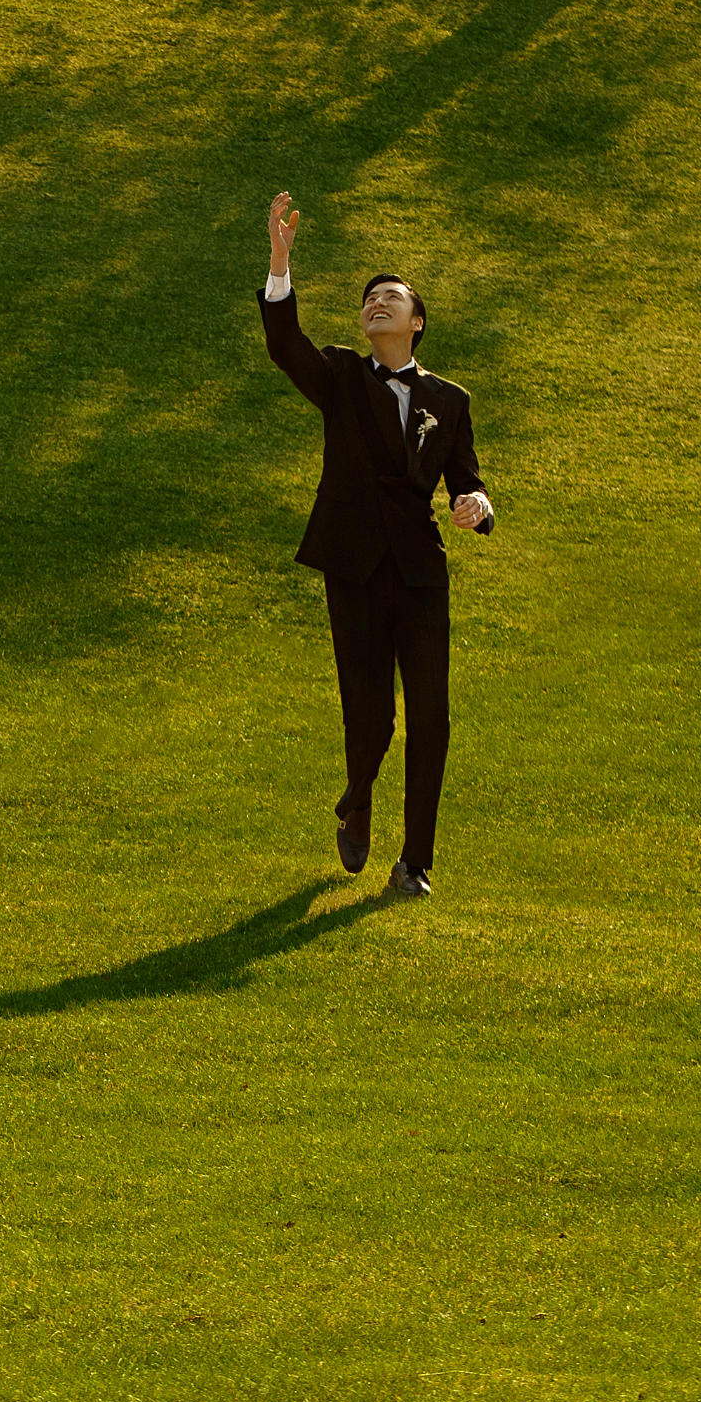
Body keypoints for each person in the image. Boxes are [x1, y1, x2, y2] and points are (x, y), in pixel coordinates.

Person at [258, 193, 493, 895]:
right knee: (372, 715)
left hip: (421, 573)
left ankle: (414, 864)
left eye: (390, 299)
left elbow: (469, 484)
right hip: (353, 563)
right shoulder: (338, 377)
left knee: (431, 717)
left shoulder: (450, 401)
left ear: (416, 322)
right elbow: (283, 345)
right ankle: (358, 795)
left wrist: (478, 506)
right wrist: (279, 263)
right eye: (368, 300)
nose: (375, 305)